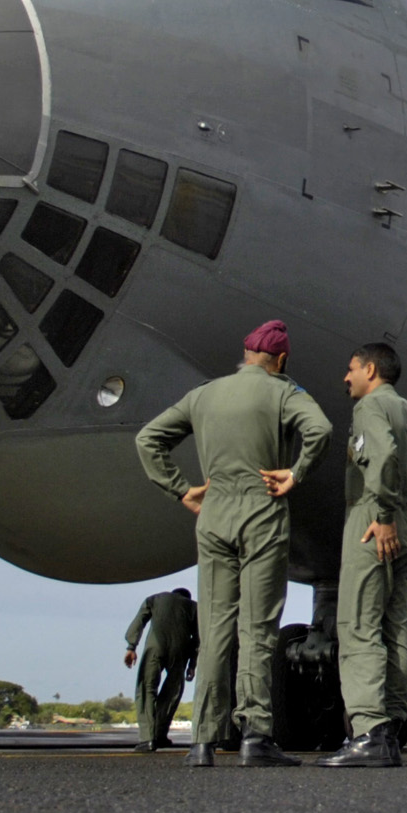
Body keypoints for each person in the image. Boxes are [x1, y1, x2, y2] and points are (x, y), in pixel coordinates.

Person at [134, 320, 332, 768]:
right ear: (280, 361)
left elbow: (148, 439)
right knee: (257, 628)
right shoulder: (285, 392)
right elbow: (319, 430)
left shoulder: (204, 394)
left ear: (245, 355)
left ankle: (202, 740)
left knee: (214, 630)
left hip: (214, 513)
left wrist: (181, 489)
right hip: (261, 510)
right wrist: (296, 472)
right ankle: (255, 735)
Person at [319, 342, 407, 768]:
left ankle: (368, 731)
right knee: (397, 630)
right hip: (405, 529)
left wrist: (382, 515)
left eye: (351, 369)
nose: (346, 378)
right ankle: (392, 730)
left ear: (370, 369)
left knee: (359, 626)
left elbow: (381, 459)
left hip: (373, 522)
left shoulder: (369, 408)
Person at [122, 586, 198, 754]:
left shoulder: (155, 599)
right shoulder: (194, 607)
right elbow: (197, 639)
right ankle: (160, 735)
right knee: (172, 693)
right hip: (180, 650)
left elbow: (139, 621)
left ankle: (147, 738)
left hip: (155, 647)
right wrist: (192, 665)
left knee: (146, 689)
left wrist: (131, 647)